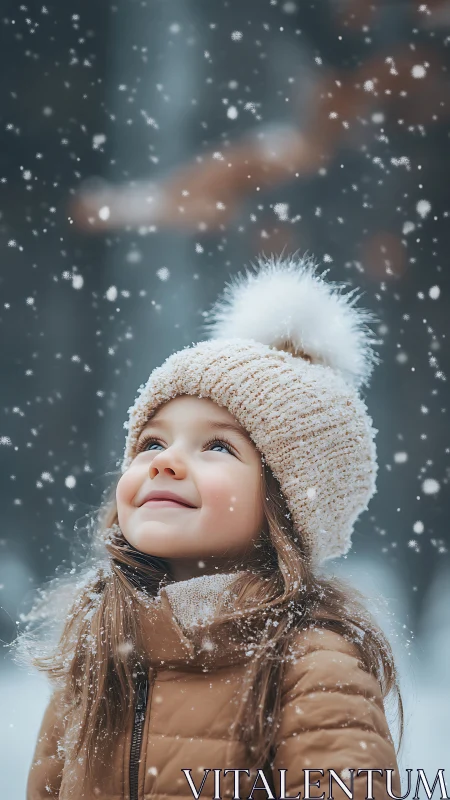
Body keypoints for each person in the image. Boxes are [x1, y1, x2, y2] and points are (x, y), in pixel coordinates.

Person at [19, 254, 403, 799]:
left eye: (217, 446)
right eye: (152, 442)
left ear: (286, 507)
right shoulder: (101, 647)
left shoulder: (313, 664)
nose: (164, 462)